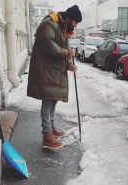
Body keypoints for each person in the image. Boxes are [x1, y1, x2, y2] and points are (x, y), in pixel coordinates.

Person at [27, 5, 82, 149]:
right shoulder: (49, 24)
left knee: (53, 100)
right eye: (75, 22)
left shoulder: (65, 29)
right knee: (47, 101)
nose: (76, 25)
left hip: (55, 69)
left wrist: (69, 64)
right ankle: (46, 134)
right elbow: (50, 47)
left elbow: (65, 48)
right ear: (69, 18)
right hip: (46, 69)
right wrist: (67, 54)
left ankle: (50, 128)